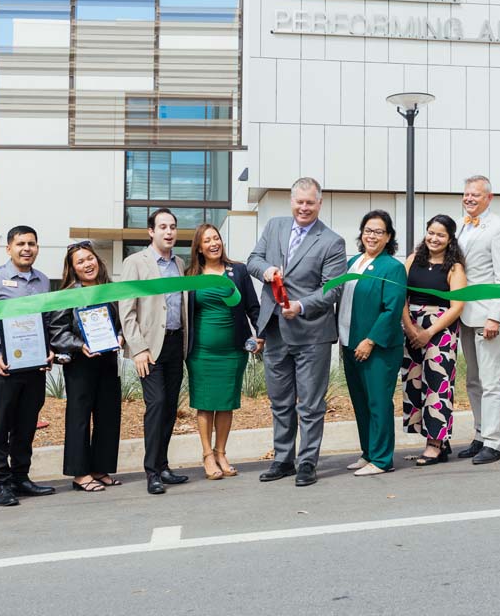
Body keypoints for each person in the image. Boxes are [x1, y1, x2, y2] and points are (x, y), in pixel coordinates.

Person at [247, 177, 347, 487]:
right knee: (279, 400)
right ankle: (283, 458)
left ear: (320, 203)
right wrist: (266, 270)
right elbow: (253, 260)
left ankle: (307, 462)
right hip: (275, 328)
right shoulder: (274, 226)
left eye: (310, 202)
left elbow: (331, 290)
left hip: (311, 333)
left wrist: (301, 306)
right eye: (299, 202)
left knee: (310, 403)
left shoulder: (332, 241)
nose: (304, 207)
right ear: (292, 202)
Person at [0, 225, 55, 507]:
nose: (26, 249)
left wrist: (49, 350)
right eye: (21, 244)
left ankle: (21, 477)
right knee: (1, 426)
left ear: (37, 248)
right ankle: (1, 483)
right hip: (4, 364)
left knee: (26, 424)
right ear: (9, 248)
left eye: (31, 243)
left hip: (34, 366)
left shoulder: (42, 280)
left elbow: (46, 321)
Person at [120, 209, 192, 495]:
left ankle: (163, 465)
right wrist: (138, 348)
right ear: (151, 231)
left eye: (173, 226)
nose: (169, 232)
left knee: (170, 407)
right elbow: (127, 310)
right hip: (149, 348)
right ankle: (151, 471)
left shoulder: (180, 263)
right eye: (162, 227)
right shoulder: (134, 263)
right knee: (157, 403)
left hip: (176, 344)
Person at [184, 223, 262, 480]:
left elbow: (253, 306)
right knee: (205, 405)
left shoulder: (237, 271)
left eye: (216, 238)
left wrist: (259, 335)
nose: (213, 243)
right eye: (207, 240)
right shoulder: (190, 276)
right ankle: (207, 455)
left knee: (226, 404)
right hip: (202, 353)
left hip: (233, 351)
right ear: (199, 247)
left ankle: (221, 452)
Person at [48, 240, 124, 491]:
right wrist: (81, 345)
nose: (87, 264)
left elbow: (121, 320)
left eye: (89, 258)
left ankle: (99, 468)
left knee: (108, 416)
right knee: (79, 417)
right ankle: (80, 474)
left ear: (97, 260)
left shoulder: (109, 289)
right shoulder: (68, 294)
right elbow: (57, 332)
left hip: (108, 361)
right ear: (72, 268)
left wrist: (121, 335)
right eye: (80, 262)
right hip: (81, 363)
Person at [338, 211, 406, 476]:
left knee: (378, 402)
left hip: (377, 347)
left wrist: (370, 340)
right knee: (361, 402)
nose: (372, 235)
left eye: (379, 231)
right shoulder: (352, 262)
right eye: (368, 230)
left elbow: (392, 309)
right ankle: (367, 452)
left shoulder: (393, 267)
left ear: (388, 236)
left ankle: (381, 459)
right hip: (348, 341)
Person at [455, 175, 500, 465]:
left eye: (475, 195)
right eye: (466, 194)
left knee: (491, 382)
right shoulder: (462, 226)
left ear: (488, 198)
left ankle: (494, 441)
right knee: (473, 381)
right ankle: (479, 434)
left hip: (486, 317)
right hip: (464, 315)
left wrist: (495, 317)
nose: (469, 199)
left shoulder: (499, 228)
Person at [401, 215, 467, 466]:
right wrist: (409, 327)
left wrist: (429, 332)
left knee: (437, 385)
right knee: (415, 383)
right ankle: (436, 438)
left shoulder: (454, 268)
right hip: (411, 326)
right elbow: (401, 296)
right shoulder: (412, 260)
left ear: (450, 239)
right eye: (431, 232)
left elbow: (457, 306)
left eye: (441, 234)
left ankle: (435, 444)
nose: (434, 238)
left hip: (441, 330)